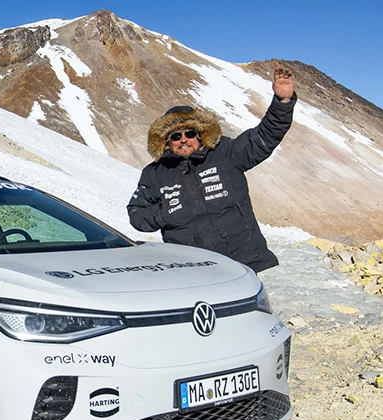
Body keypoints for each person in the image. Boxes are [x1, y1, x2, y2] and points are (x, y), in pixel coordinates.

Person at [126, 65, 296, 273]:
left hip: (250, 264)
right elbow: (136, 214)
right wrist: (165, 212)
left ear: (199, 134)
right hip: (193, 272)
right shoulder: (155, 173)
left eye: (189, 133)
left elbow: (264, 136)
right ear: (166, 142)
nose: (183, 140)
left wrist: (283, 103)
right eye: (176, 136)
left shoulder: (225, 152)